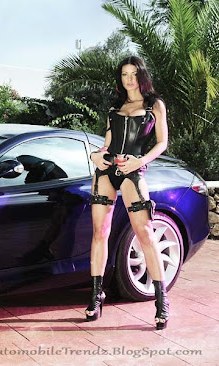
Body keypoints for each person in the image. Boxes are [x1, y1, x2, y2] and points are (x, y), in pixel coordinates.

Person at [86, 56, 169, 329]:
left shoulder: (155, 105)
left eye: (133, 73)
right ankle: (97, 295)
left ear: (141, 75)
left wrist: (140, 161)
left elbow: (161, 143)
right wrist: (96, 156)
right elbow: (107, 143)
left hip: (134, 170)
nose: (129, 78)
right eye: (124, 74)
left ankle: (161, 301)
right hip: (106, 171)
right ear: (120, 77)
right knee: (100, 233)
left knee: (145, 233)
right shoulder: (115, 107)